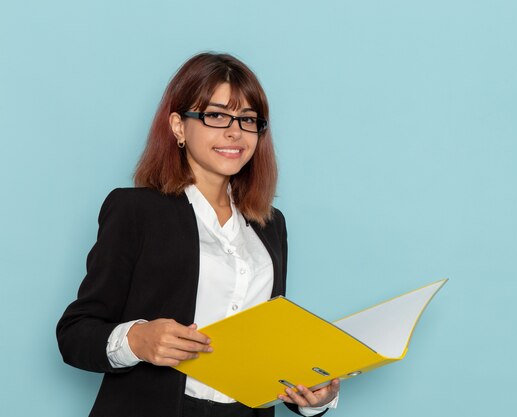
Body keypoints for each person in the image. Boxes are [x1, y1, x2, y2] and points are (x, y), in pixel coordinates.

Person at [57, 52, 340, 417]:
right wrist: (136, 340)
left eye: (248, 119)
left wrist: (315, 399)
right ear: (178, 126)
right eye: (216, 115)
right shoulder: (136, 211)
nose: (234, 131)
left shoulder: (271, 225)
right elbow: (75, 333)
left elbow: (268, 342)